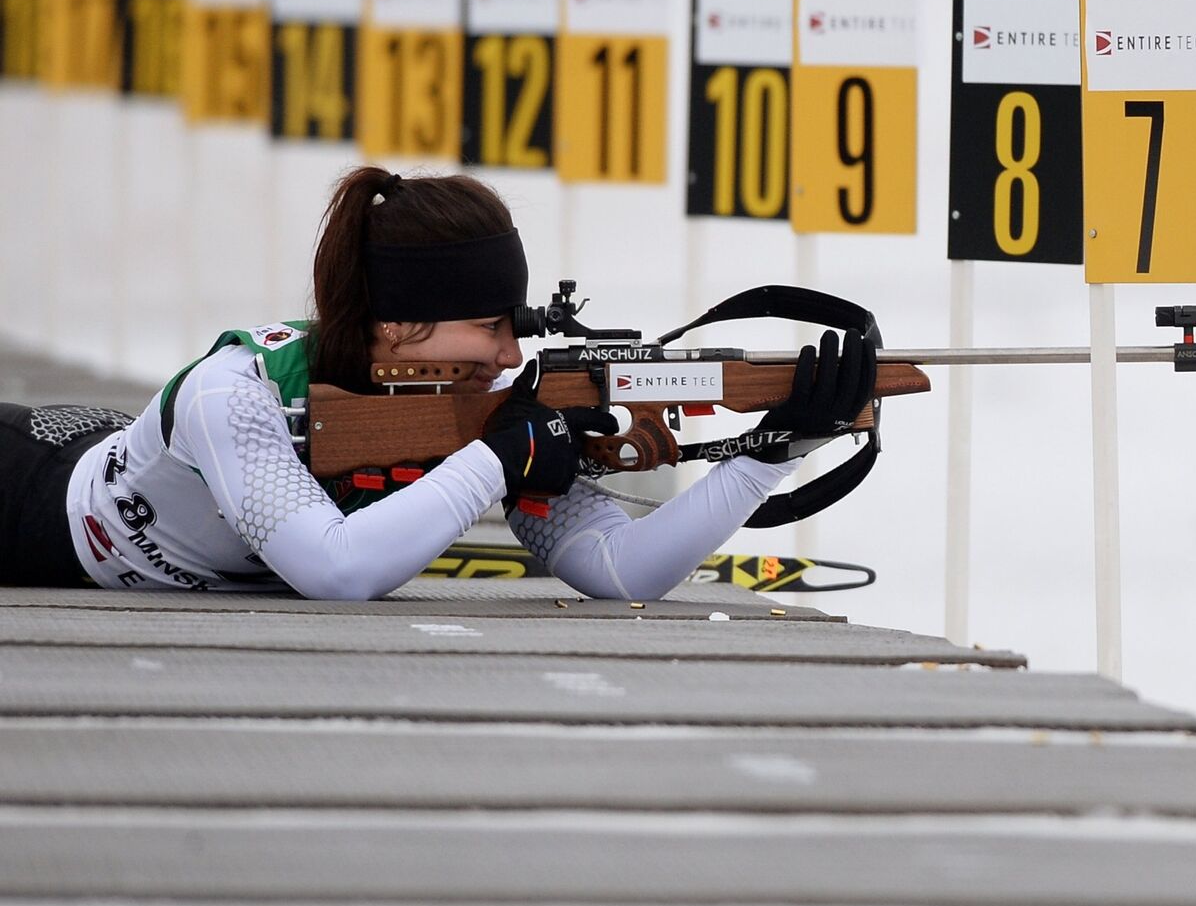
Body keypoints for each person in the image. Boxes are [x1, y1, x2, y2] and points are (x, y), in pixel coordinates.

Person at [0, 166, 873, 600]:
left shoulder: (477, 414)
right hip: (31, 496)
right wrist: (498, 461)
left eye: (515, 326)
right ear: (398, 322)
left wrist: (770, 455)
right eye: (490, 324)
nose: (507, 353)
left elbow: (620, 569)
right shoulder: (239, 392)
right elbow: (335, 575)